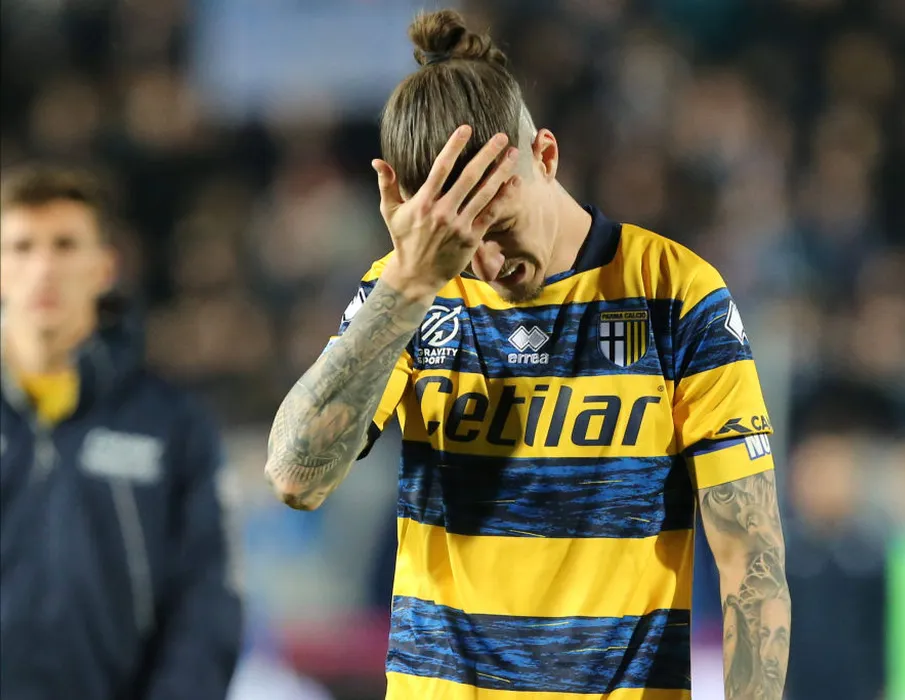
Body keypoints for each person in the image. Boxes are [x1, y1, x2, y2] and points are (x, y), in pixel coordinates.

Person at [265, 9, 790, 700]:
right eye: (459, 242)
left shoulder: (674, 293)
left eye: (500, 226)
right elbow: (296, 479)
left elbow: (750, 559)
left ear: (545, 155)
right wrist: (410, 279)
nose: (485, 263)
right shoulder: (407, 294)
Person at [0, 166, 243, 700]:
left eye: (65, 245)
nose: (43, 267)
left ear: (104, 267)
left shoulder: (172, 424)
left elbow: (207, 597)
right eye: (21, 247)